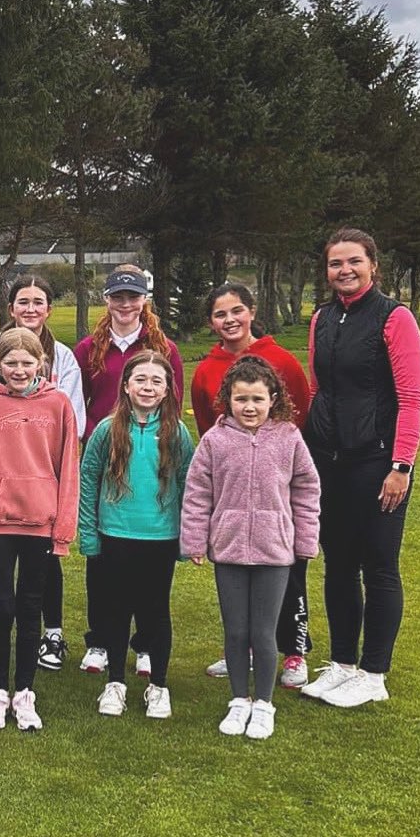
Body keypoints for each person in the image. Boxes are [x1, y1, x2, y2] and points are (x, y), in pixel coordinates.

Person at [300, 228, 420, 708]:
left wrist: (401, 465)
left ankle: (373, 673)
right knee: (337, 565)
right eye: (335, 263)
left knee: (378, 566)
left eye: (354, 261)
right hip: (330, 459)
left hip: (378, 461)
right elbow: (317, 391)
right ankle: (343, 664)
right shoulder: (323, 319)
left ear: (373, 264)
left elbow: (411, 399)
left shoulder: (395, 318)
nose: (344, 270)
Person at [180, 356, 320, 739]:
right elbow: (197, 494)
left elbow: (306, 490)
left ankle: (264, 704)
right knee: (236, 632)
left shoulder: (289, 437)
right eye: (241, 399)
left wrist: (305, 539)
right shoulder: (215, 441)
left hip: (276, 551)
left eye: (258, 399)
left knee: (264, 631)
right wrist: (194, 540)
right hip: (228, 551)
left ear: (273, 398)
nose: (250, 407)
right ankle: (239, 699)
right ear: (228, 399)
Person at [190, 283, 314, 688]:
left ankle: (293, 650)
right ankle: (240, 651)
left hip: (276, 496)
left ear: (252, 311)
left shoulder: (281, 361)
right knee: (238, 589)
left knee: (288, 577)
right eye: (221, 314)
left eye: (237, 311)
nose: (230, 320)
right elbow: (210, 434)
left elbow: (299, 417)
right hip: (233, 496)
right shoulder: (207, 369)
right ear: (211, 322)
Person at [0, 274, 86, 671]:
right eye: (22, 302)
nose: (30, 309)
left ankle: (52, 633)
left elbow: (69, 420)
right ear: (10, 307)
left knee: (43, 567)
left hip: (43, 483)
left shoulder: (63, 357)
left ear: (48, 308)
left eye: (38, 302)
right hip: (2, 485)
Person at [73, 266, 183, 676]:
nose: (125, 304)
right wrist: (92, 437)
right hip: (103, 454)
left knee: (147, 567)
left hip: (147, 457)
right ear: (107, 299)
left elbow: (172, 403)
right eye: (117, 297)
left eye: (132, 297)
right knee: (104, 559)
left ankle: (143, 643)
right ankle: (100, 640)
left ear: (144, 300)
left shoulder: (162, 347)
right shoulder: (88, 348)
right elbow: (79, 399)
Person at [78, 351, 194, 720]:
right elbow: (88, 481)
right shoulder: (105, 430)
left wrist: (187, 538)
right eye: (140, 379)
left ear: (167, 389)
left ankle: (158, 686)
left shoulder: (176, 432)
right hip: (115, 534)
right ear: (126, 386)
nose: (148, 386)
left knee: (156, 612)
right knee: (115, 611)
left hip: (159, 538)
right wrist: (89, 535)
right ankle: (115, 682)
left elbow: (190, 485)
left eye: (156, 380)